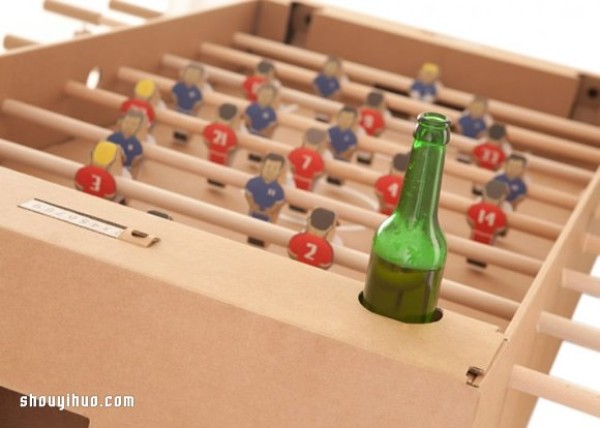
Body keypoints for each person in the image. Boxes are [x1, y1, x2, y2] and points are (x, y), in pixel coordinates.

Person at [245, 153, 286, 246]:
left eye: (275, 168)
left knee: (262, 233)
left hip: (267, 217)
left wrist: (270, 210)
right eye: (268, 167)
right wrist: (252, 205)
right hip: (253, 213)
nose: (270, 171)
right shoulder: (253, 182)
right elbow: (248, 194)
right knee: (251, 230)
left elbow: (278, 203)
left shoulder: (278, 189)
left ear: (280, 171)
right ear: (262, 166)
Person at [466, 179, 509, 268]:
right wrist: (496, 233)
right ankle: (480, 261)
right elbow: (501, 228)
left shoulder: (477, 206)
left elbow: (469, 219)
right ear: (502, 198)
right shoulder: (501, 213)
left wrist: (474, 227)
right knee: (485, 249)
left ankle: (474, 258)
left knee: (474, 247)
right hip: (489, 237)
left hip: (476, 233)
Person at [202, 103, 240, 187]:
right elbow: (232, 148)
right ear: (234, 119)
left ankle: (213, 179)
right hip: (223, 156)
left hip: (212, 153)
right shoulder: (231, 133)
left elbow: (206, 139)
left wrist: (212, 147)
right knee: (222, 167)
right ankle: (219, 181)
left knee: (212, 167)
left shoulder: (211, 127)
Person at [471, 123, 512, 195]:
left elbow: (474, 155)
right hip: (484, 174)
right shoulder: (506, 149)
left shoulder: (482, 143)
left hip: (490, 177)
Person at [244, 83, 279, 162]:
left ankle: (259, 159)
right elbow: (247, 119)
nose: (265, 97)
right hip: (251, 133)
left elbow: (271, 126)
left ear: (273, 98)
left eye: (268, 96)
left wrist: (265, 132)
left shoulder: (271, 112)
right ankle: (251, 158)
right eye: (263, 94)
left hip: (262, 135)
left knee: (260, 149)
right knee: (252, 147)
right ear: (258, 94)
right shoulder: (252, 107)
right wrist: (249, 128)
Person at [171, 62, 205, 142]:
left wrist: (194, 111)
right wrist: (176, 103)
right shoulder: (179, 86)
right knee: (178, 123)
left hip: (189, 111)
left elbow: (198, 102)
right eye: (189, 73)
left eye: (195, 75)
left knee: (186, 125)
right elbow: (174, 94)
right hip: (179, 108)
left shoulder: (196, 91)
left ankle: (184, 137)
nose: (191, 76)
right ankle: (177, 135)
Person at [326, 106, 359, 185]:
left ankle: (339, 178)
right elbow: (327, 143)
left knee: (342, 165)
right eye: (343, 117)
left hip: (343, 158)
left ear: (353, 121)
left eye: (349, 119)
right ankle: (330, 175)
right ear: (338, 117)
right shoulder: (331, 131)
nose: (345, 120)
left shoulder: (352, 136)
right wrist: (333, 153)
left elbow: (351, 150)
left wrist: (342, 155)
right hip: (332, 156)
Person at [106, 109, 145, 177]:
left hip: (125, 169)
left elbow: (135, 162)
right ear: (121, 122)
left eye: (134, 124)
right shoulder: (112, 138)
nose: (129, 126)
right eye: (127, 122)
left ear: (139, 127)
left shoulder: (137, 145)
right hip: (108, 166)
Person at [288, 127, 327, 192]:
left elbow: (291, 167)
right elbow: (318, 175)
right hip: (307, 184)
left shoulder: (296, 152)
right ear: (321, 144)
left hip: (293, 181)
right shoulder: (319, 158)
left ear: (305, 138)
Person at [357, 90, 390, 164]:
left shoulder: (359, 112)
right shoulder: (380, 118)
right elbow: (378, 132)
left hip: (358, 146)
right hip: (369, 148)